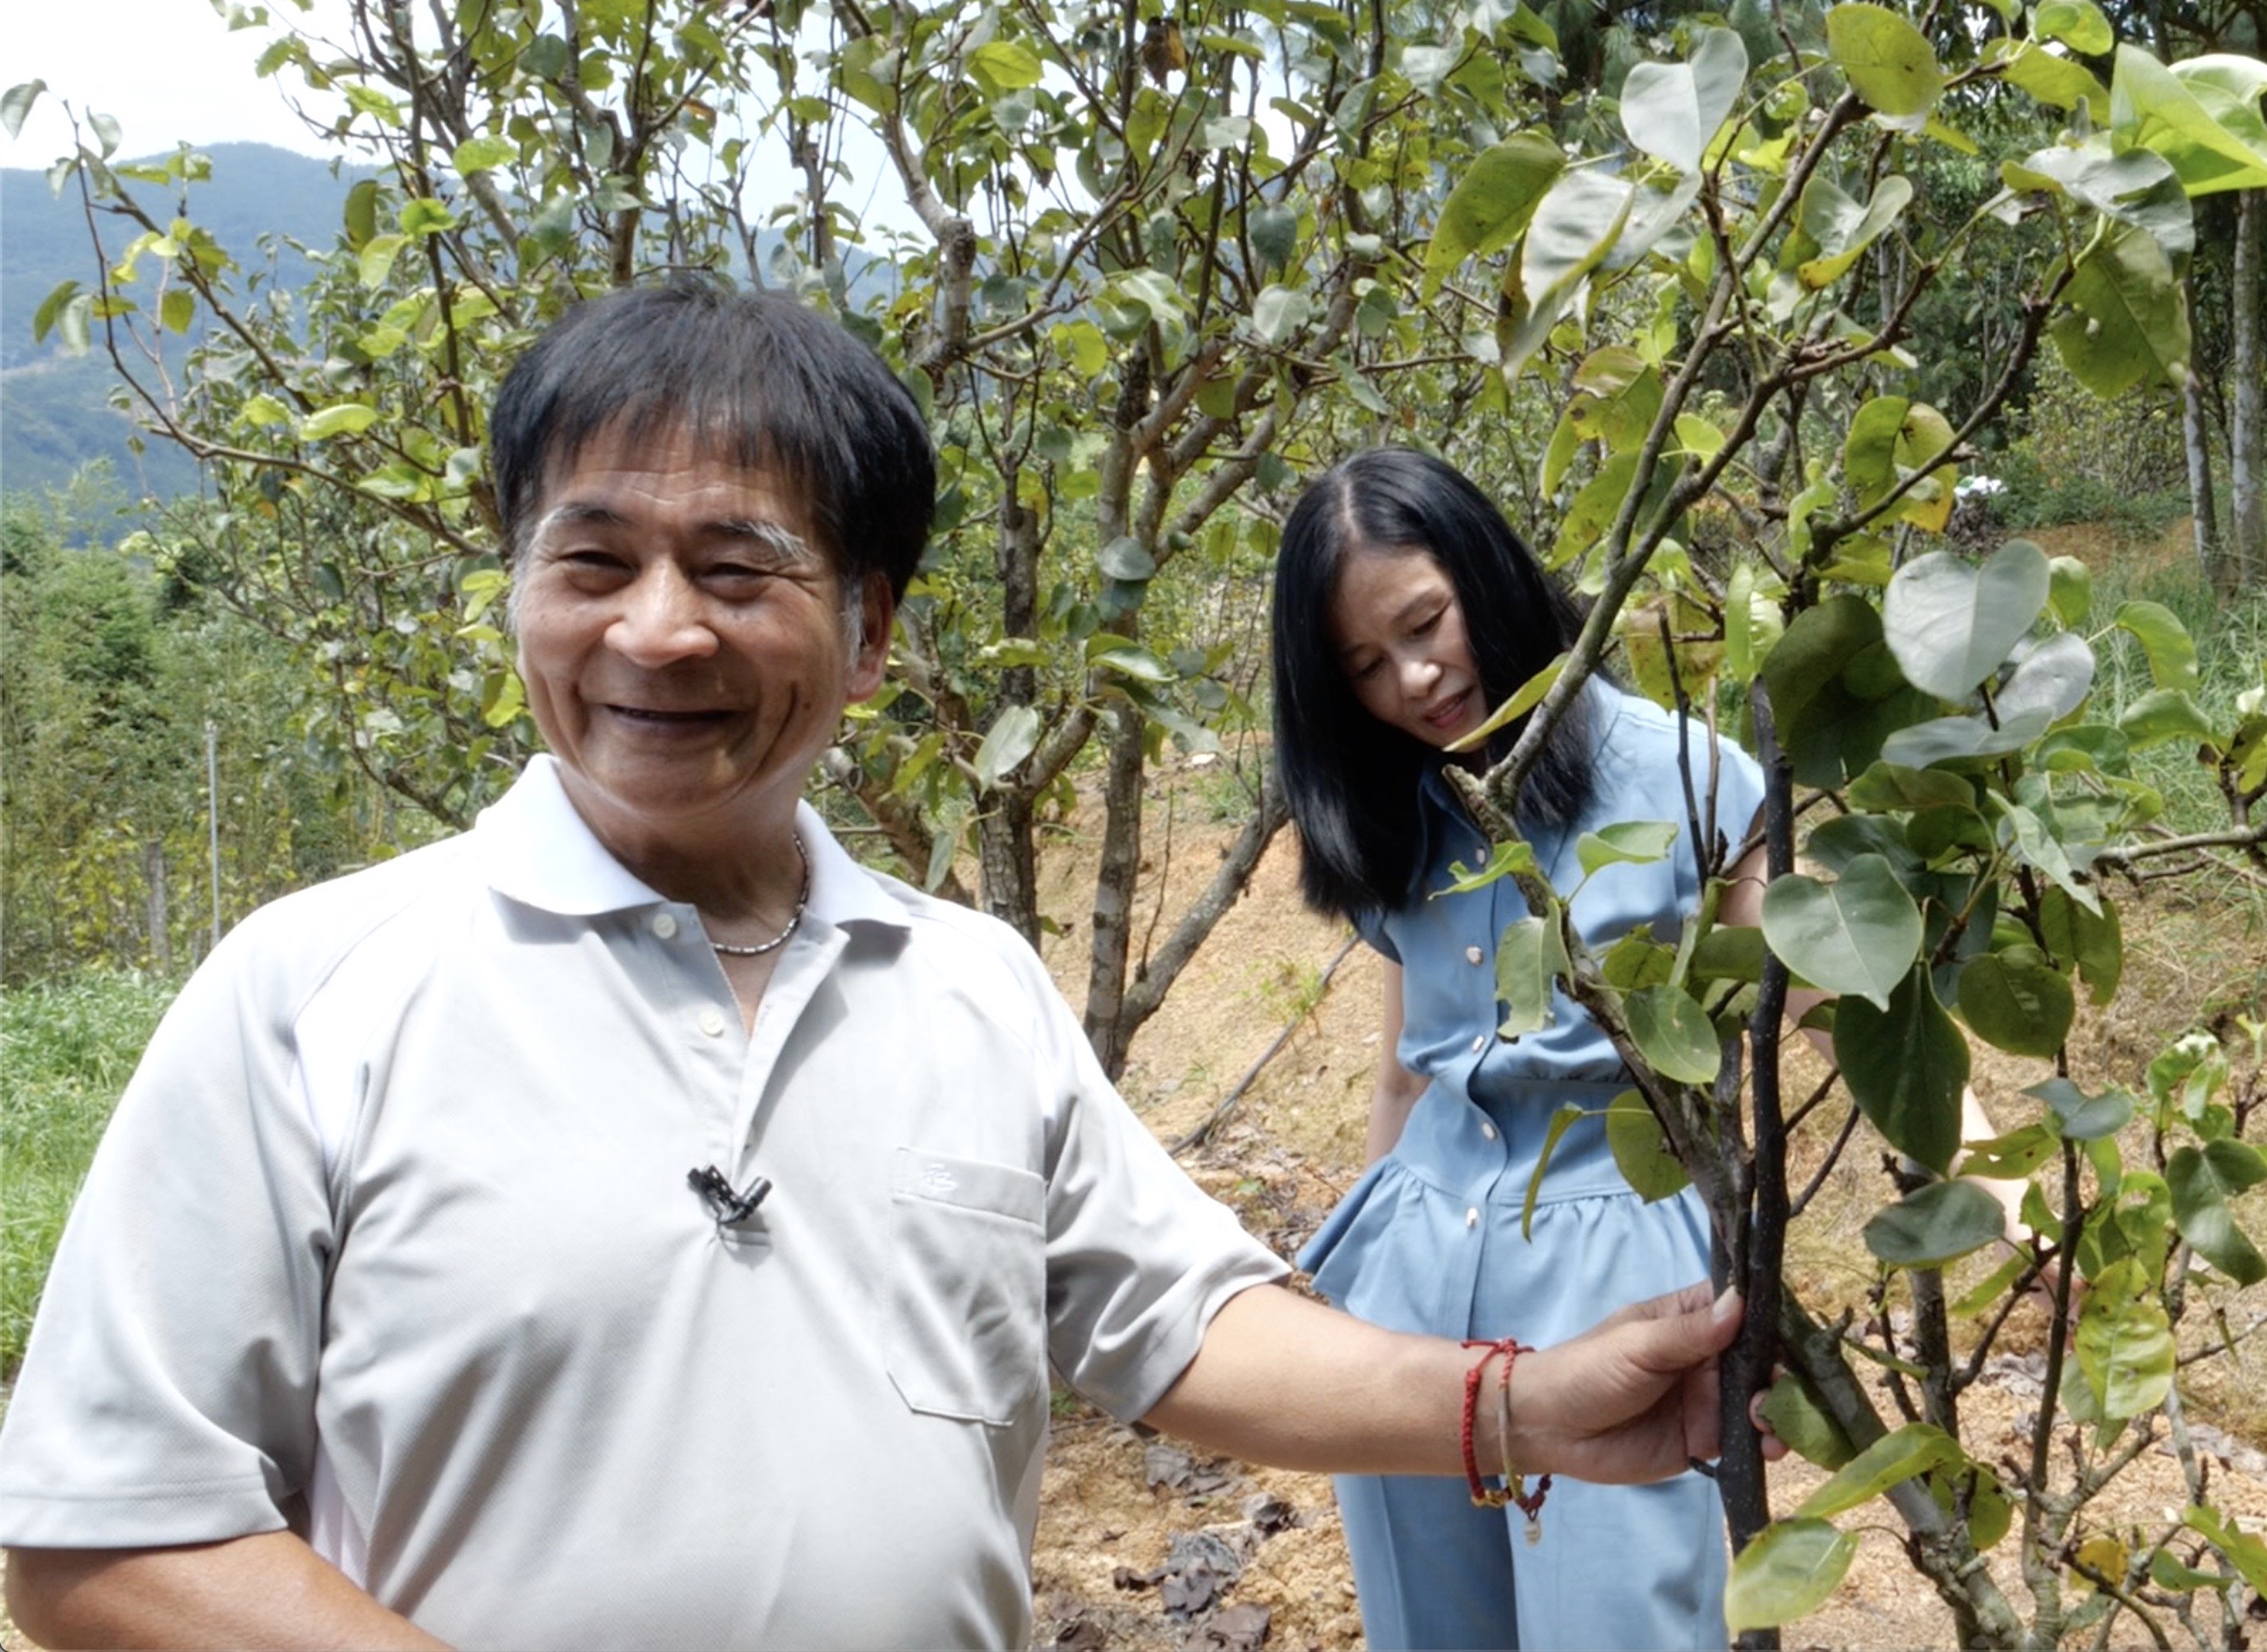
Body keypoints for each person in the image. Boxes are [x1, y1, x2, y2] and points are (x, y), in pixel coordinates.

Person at [0, 284, 1755, 1651]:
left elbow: (1178, 1326)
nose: (657, 629)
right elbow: (103, 1538)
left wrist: (1517, 1406)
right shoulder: (316, 992)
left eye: (741, 567)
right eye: (591, 560)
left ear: (873, 632)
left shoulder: (969, 990)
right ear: (518, 594)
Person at [1271, 449, 2018, 1652]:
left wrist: (1997, 1165)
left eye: (1426, 623)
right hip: (1417, 1276)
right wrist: (1363, 1285)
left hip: (1615, 1277)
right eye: (1363, 665)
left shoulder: (1677, 777)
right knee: (1428, 1620)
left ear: (1489, 579)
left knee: (1619, 1627)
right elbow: (1411, 1060)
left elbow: (1832, 993)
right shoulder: (1399, 806)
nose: (1413, 678)